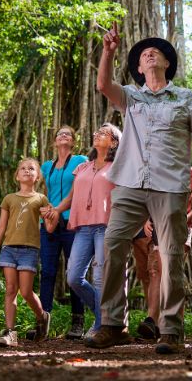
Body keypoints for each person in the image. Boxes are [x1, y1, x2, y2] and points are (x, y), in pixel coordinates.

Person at [86, 23, 192, 355]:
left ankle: (170, 330)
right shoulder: (131, 96)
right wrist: (108, 52)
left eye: (156, 52)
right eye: (144, 54)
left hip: (169, 186)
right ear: (139, 69)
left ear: (167, 63)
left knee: (170, 256)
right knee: (113, 244)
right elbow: (103, 85)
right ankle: (113, 325)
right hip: (130, 183)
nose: (150, 53)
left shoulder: (185, 97)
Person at [50, 123, 122, 338]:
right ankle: (103, 316)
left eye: (103, 133)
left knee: (100, 277)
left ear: (114, 142)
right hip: (82, 227)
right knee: (73, 277)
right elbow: (71, 197)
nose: (97, 135)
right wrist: (56, 210)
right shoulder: (82, 167)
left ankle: (100, 326)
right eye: (97, 132)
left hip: (105, 226)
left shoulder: (118, 167)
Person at [0, 158, 58, 347]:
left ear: (37, 177)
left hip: (29, 250)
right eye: (23, 168)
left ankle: (42, 316)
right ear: (17, 176)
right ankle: (10, 332)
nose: (27, 170)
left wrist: (52, 216)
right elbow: (1, 226)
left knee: (26, 291)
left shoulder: (41, 199)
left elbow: (49, 228)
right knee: (11, 289)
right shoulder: (9, 198)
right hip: (8, 249)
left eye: (32, 169)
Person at [134, 167, 192, 339]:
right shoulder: (155, 169)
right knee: (155, 271)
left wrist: (183, 219)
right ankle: (152, 322)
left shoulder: (189, 171)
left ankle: (175, 326)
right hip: (158, 227)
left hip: (180, 227)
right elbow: (147, 200)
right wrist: (145, 220)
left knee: (172, 273)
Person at [37, 125, 88, 339]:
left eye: (68, 134)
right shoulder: (46, 166)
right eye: (60, 134)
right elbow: (41, 192)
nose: (63, 136)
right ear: (54, 141)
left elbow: (79, 189)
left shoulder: (80, 161)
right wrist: (45, 210)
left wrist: (58, 209)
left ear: (73, 141)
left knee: (74, 272)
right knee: (47, 272)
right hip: (50, 223)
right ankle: (42, 321)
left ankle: (78, 322)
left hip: (71, 223)